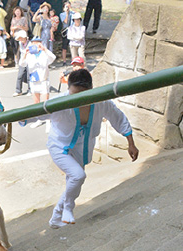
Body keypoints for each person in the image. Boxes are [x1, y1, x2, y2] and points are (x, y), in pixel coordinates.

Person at [20, 69, 139, 228]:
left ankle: (56, 218)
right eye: (74, 95)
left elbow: (118, 117)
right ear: (68, 89)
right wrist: (11, 118)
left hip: (82, 148)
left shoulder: (100, 101)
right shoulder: (60, 102)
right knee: (78, 176)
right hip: (60, 147)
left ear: (90, 90)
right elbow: (35, 113)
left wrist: (130, 142)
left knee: (74, 182)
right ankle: (66, 210)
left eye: (83, 96)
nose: (78, 100)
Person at [19, 36, 55, 105]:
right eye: (33, 43)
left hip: (43, 81)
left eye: (37, 43)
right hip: (34, 82)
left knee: (45, 103)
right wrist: (25, 54)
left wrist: (44, 49)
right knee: (36, 103)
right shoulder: (29, 55)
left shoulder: (44, 54)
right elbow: (22, 64)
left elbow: (53, 57)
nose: (35, 45)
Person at [12, 30, 30, 97]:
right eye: (20, 38)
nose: (21, 39)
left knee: (29, 77)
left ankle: (30, 90)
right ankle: (18, 91)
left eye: (22, 38)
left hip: (29, 61)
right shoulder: (20, 43)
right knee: (19, 76)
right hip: (22, 61)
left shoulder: (30, 43)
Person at [59, 1, 74, 66]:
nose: (68, 8)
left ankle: (73, 60)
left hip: (72, 31)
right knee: (64, 47)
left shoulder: (73, 13)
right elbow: (65, 22)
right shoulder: (62, 14)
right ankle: (64, 61)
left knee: (72, 46)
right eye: (66, 6)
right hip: (66, 32)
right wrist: (67, 13)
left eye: (69, 6)